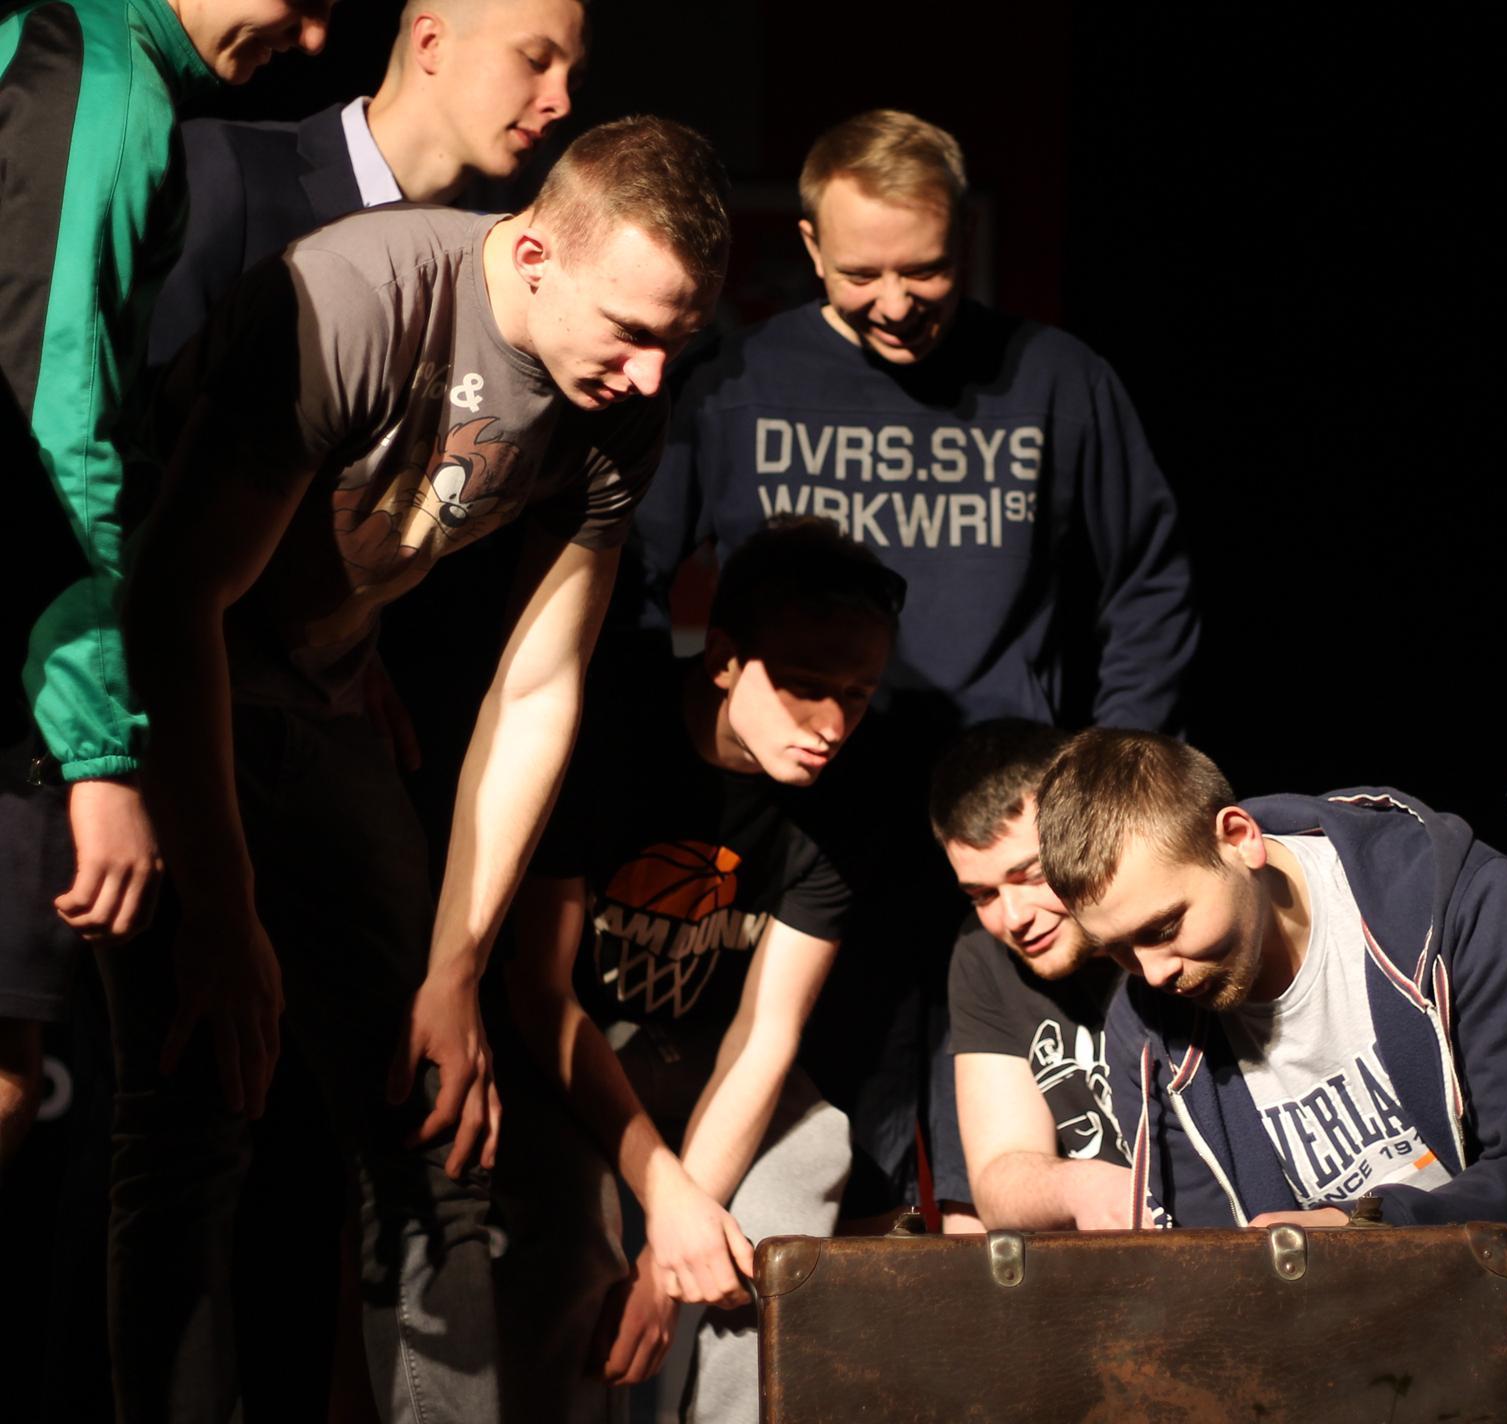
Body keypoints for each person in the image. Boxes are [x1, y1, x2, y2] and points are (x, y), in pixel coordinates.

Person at [111, 115, 727, 1422]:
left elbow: (540, 683)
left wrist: (456, 965)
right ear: (536, 253)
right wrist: (221, 902)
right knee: (192, 1118)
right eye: (630, 331)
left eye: (676, 343)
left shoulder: (620, 405)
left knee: (438, 1114)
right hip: (172, 699)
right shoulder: (356, 298)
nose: (650, 376)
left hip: (330, 706)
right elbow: (178, 602)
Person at [637, 107, 1198, 1224]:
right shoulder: (739, 380)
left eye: (924, 269)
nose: (895, 302)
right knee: (833, 1124)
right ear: (808, 247)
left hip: (1008, 831)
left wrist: (1106, 785)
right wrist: (670, 748)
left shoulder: (1055, 379)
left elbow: (1149, 583)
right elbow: (633, 578)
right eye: (862, 274)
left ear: (964, 236)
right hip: (810, 830)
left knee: (1008, 1136)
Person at [1, 0, 333, 1166]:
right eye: (306, 0)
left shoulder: (70, 47)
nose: (313, 40)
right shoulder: (100, 80)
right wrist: (99, 752)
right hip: (30, 656)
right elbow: (53, 417)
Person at [497, 517, 901, 1423]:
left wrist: (665, 1262)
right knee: (572, 1219)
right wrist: (664, 1197)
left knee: (806, 1165)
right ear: (724, 659)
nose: (833, 725)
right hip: (577, 1046)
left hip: (712, 1054)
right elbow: (540, 994)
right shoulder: (605, 728)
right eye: (804, 687)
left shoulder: (851, 792)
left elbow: (767, 1032)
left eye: (857, 694)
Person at [1036, 729, 1507, 1286]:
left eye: (1163, 928)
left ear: (1239, 839)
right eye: (1119, 950)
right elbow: (1217, 1276)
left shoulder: (1451, 901)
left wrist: (1360, 1233)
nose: (1153, 972)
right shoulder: (1145, 1035)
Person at [149, 0, 587, 369]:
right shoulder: (225, 166)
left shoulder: (496, 269)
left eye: (573, 79)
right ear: (431, 42)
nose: (562, 101)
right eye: (536, 60)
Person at [929, 719, 1129, 1230]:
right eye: (983, 895)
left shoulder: (1175, 928)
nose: (1013, 917)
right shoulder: (982, 954)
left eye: (1034, 875)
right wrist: (1084, 1186)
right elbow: (999, 1175)